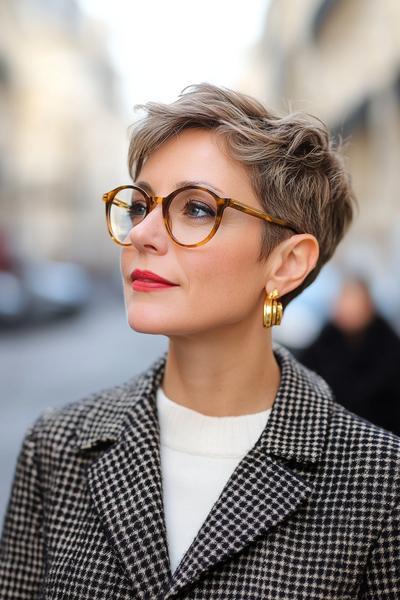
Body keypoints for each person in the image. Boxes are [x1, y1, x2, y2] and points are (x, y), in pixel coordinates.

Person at [1, 83, 399, 599]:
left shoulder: (381, 485)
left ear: (286, 263)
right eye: (140, 205)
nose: (143, 232)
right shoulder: (56, 448)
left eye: (196, 209)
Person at [298, 275, 400, 436]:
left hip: (381, 435)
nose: (348, 309)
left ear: (368, 305)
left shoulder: (389, 346)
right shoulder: (323, 342)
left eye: (354, 302)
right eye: (344, 301)